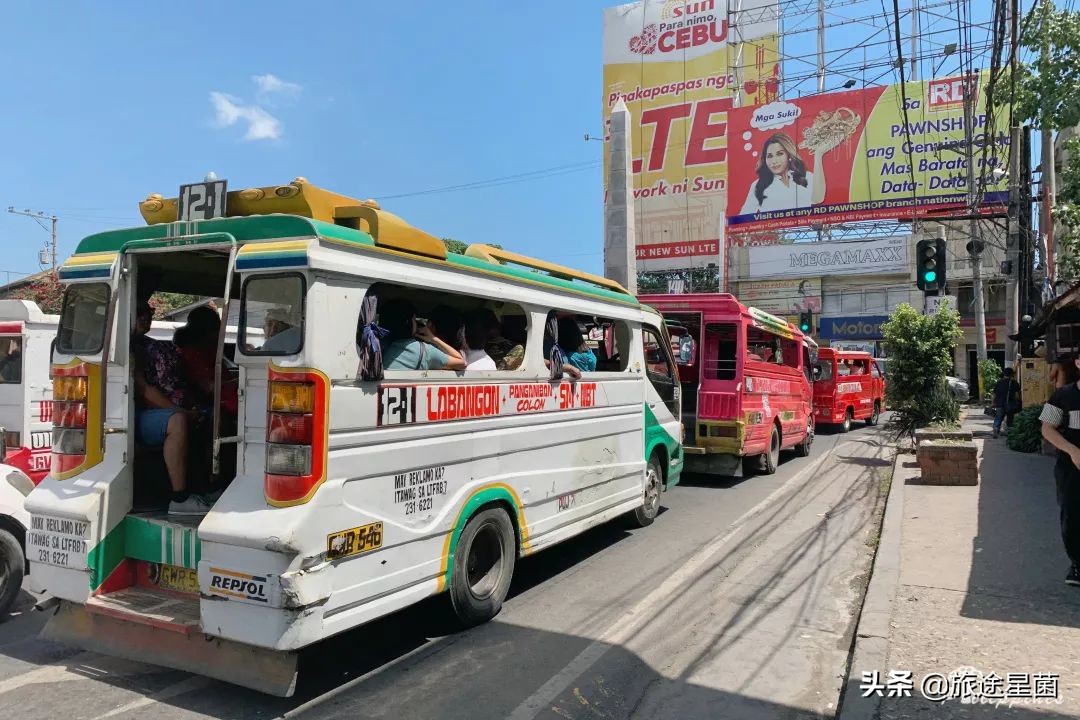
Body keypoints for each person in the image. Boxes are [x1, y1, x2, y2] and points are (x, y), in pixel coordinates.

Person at [131, 302, 210, 516]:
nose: (145, 316)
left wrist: (192, 409)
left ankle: (205, 488)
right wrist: (182, 412)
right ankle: (180, 498)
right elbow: (144, 390)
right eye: (139, 312)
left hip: (159, 411)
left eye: (149, 312)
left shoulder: (153, 345)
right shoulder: (124, 347)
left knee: (208, 417)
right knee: (177, 422)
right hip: (130, 416)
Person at [1040, 354, 1080, 587]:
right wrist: (1072, 451)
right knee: (1073, 516)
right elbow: (1047, 429)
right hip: (1071, 469)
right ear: (1077, 363)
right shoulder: (1062, 396)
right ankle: (1077, 564)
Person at [739, 132, 828, 215]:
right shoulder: (758, 185)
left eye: (779, 154)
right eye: (769, 156)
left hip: (806, 227)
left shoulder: (805, 176)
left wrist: (818, 155)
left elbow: (818, 198)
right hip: (775, 230)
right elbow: (742, 219)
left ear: (789, 155)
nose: (774, 161)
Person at [380, 299, 466, 371]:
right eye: (414, 319)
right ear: (408, 323)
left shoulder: (381, 345)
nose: (416, 323)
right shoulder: (424, 350)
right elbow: (462, 363)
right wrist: (433, 338)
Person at [991, 367, 1020, 438]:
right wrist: (1018, 401)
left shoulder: (999, 382)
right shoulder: (1014, 383)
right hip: (1010, 404)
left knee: (998, 417)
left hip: (999, 404)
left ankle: (995, 429)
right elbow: (1016, 395)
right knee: (1010, 418)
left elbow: (994, 394)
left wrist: (993, 403)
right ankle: (1009, 432)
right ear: (1011, 375)